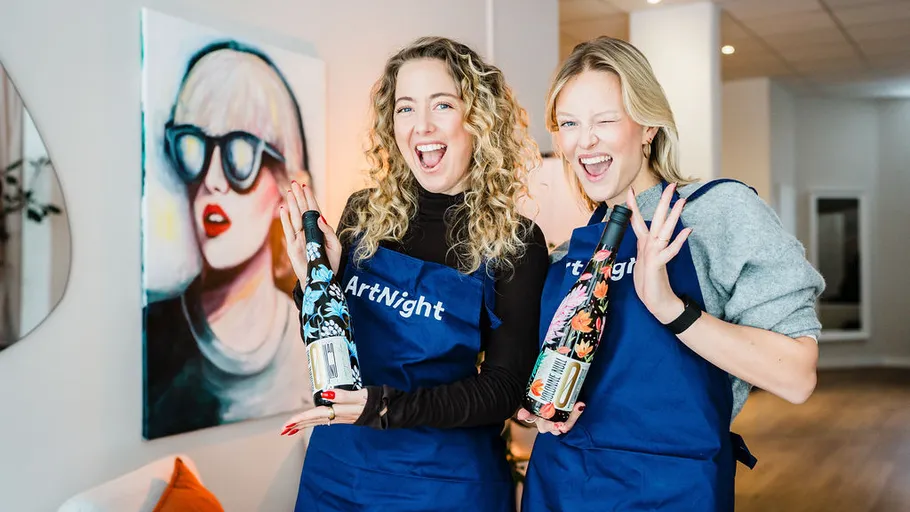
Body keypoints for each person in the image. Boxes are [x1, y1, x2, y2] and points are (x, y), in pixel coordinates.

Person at [517, 36, 825, 511]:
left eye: (605, 120)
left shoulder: (718, 214)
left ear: (647, 127)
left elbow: (797, 377)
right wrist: (539, 410)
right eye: (570, 123)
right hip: (562, 485)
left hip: (672, 490)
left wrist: (671, 310)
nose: (584, 141)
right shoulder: (568, 253)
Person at [278, 36, 550, 511]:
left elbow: (503, 389)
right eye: (405, 108)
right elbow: (328, 341)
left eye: (441, 104)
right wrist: (313, 282)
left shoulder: (517, 241)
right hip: (339, 472)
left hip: (445, 483)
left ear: (478, 118)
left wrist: (384, 406)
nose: (421, 125)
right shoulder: (364, 213)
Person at [143, 41, 314, 439]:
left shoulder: (315, 339)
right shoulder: (151, 337)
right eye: (193, 147)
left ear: (286, 190)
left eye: (239, 155)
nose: (212, 180)